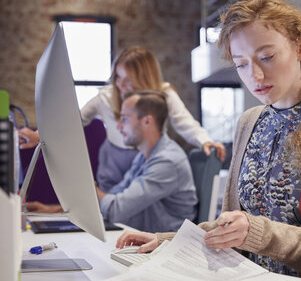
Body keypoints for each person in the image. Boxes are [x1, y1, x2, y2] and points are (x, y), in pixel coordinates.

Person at [115, 0, 301, 281]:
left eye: (267, 57)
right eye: (241, 64)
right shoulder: (248, 123)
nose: (255, 75)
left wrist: (259, 233)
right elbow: (232, 229)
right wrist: (167, 241)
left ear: (299, 48)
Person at [18, 46, 226, 192]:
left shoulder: (164, 93)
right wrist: (40, 137)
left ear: (144, 80)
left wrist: (204, 141)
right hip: (114, 158)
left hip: (148, 156)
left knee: (136, 206)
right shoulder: (106, 96)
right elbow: (75, 121)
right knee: (113, 206)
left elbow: (184, 122)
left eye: (128, 80)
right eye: (117, 77)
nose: (121, 85)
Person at [30, 90, 198, 233]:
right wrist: (55, 211)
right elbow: (115, 194)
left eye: (124, 118)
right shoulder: (144, 155)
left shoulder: (167, 161)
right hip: (139, 235)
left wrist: (89, 186)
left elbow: (116, 210)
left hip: (162, 247)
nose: (118, 127)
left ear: (147, 121)